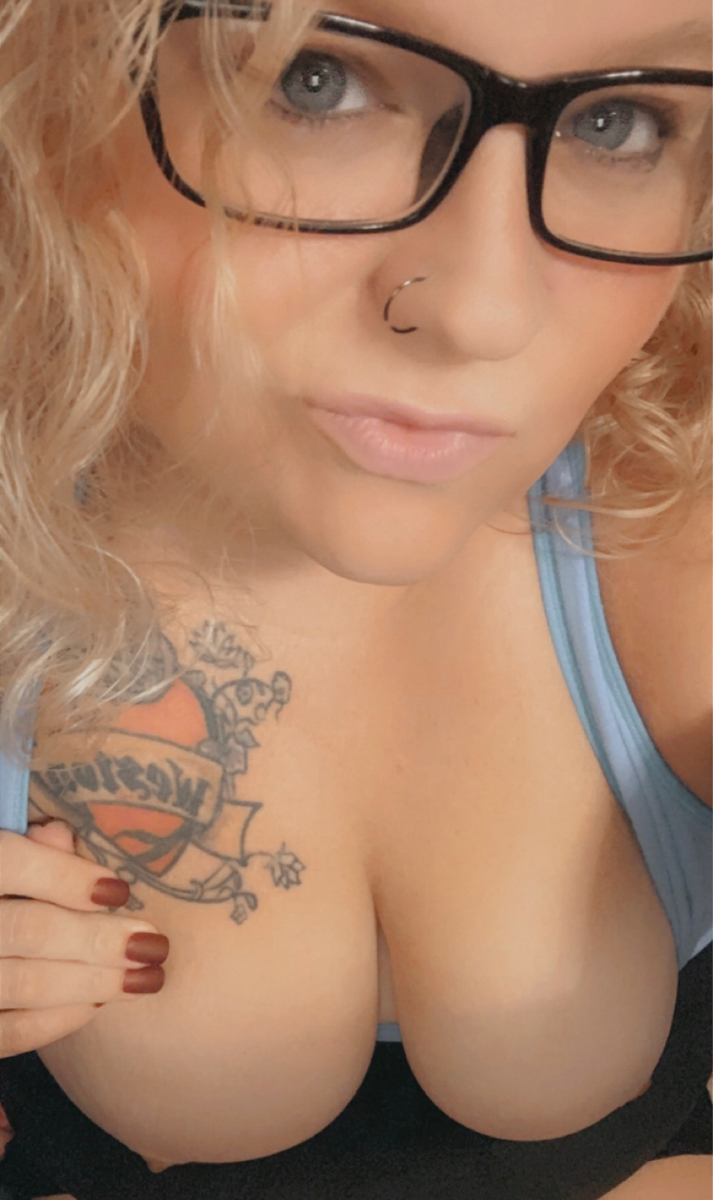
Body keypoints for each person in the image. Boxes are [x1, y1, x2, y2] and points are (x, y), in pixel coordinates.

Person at [0, 0, 710, 1197]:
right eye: (314, 80)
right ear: (46, 83)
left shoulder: (665, 526)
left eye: (616, 121)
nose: (480, 310)